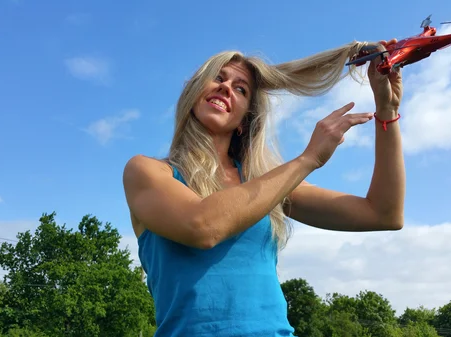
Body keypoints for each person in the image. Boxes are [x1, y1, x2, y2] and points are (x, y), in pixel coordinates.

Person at [123, 38, 405, 336]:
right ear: (194, 93)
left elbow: (384, 214)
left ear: (245, 119)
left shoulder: (266, 182)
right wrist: (308, 159)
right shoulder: (147, 172)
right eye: (217, 78)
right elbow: (203, 227)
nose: (226, 87)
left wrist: (386, 111)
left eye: (240, 88)